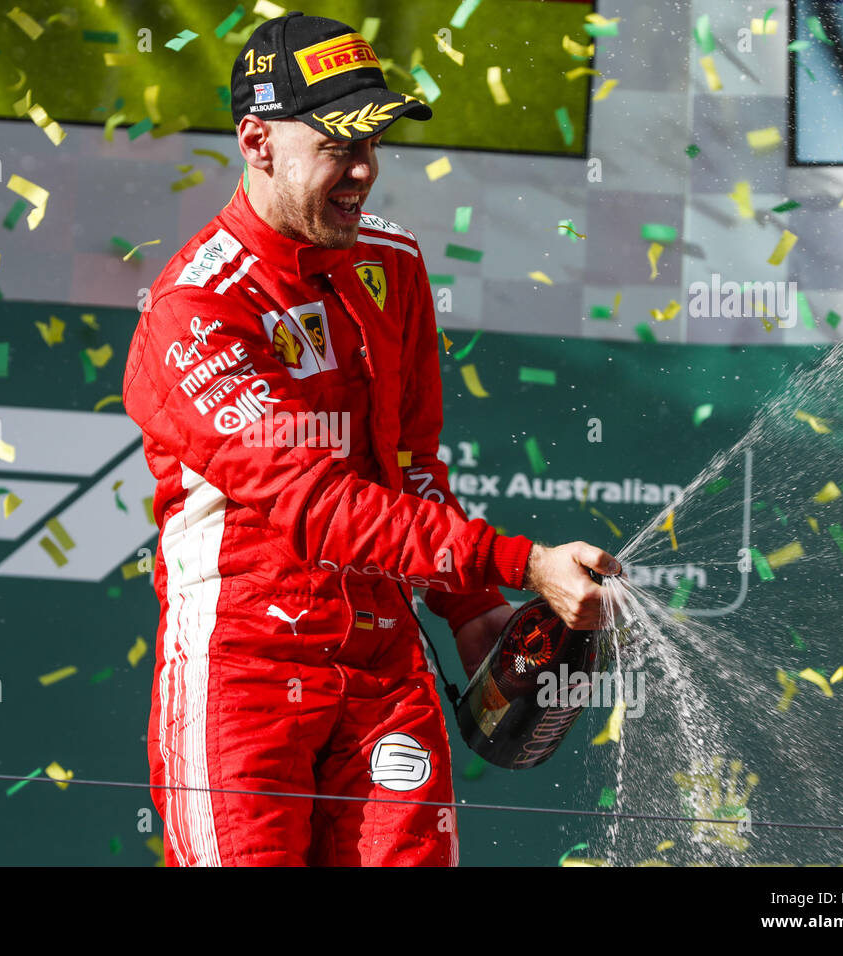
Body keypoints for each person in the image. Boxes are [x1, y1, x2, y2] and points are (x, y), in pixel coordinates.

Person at [121, 11, 618, 867]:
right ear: (257, 141)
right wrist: (515, 564)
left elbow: (412, 464)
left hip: (387, 668)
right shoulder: (194, 312)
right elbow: (318, 506)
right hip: (242, 676)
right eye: (338, 147)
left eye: (374, 144)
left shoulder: (392, 262)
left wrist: (468, 615)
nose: (362, 172)